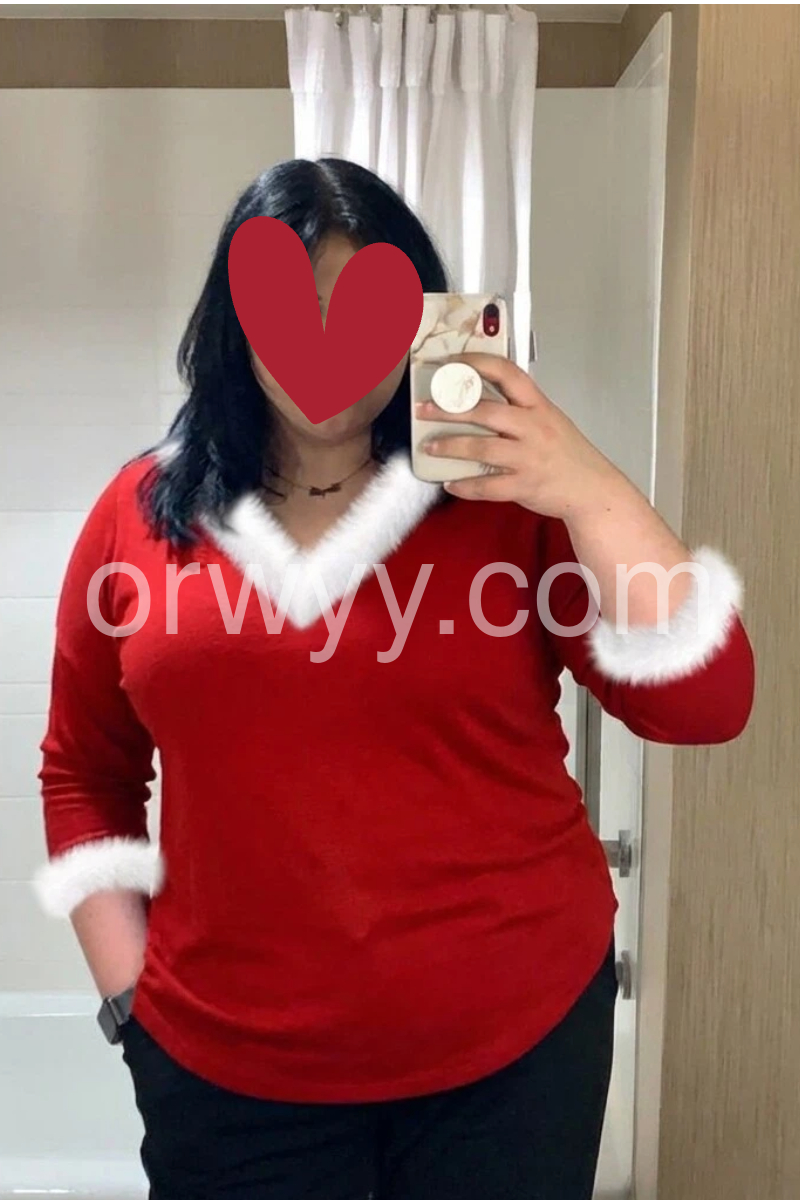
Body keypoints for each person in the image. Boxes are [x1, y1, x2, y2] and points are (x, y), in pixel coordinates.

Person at [32, 157, 755, 1200]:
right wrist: (129, 1003)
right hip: (225, 1072)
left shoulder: (508, 506)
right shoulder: (137, 517)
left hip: (516, 1054)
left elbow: (703, 703)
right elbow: (83, 777)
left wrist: (587, 483)